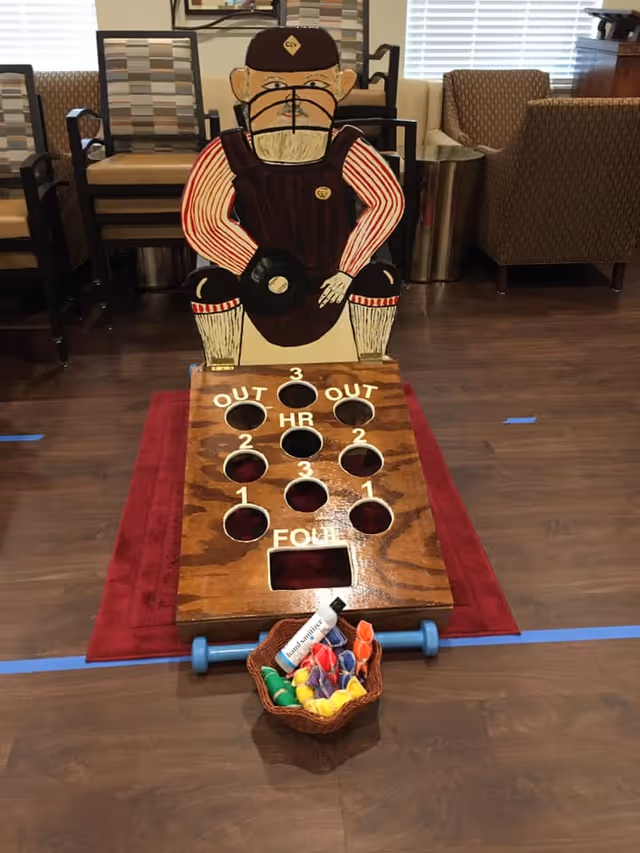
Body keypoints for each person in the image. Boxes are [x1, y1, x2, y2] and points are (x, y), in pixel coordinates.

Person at [181, 26, 404, 366]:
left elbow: (387, 200)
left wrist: (348, 268)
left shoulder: (347, 149)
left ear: (340, 86)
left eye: (314, 86)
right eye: (273, 87)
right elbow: (203, 218)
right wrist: (256, 267)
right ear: (243, 86)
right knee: (208, 286)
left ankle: (368, 369)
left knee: (381, 280)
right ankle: (225, 373)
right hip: (256, 286)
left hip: (333, 282)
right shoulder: (227, 152)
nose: (293, 100)